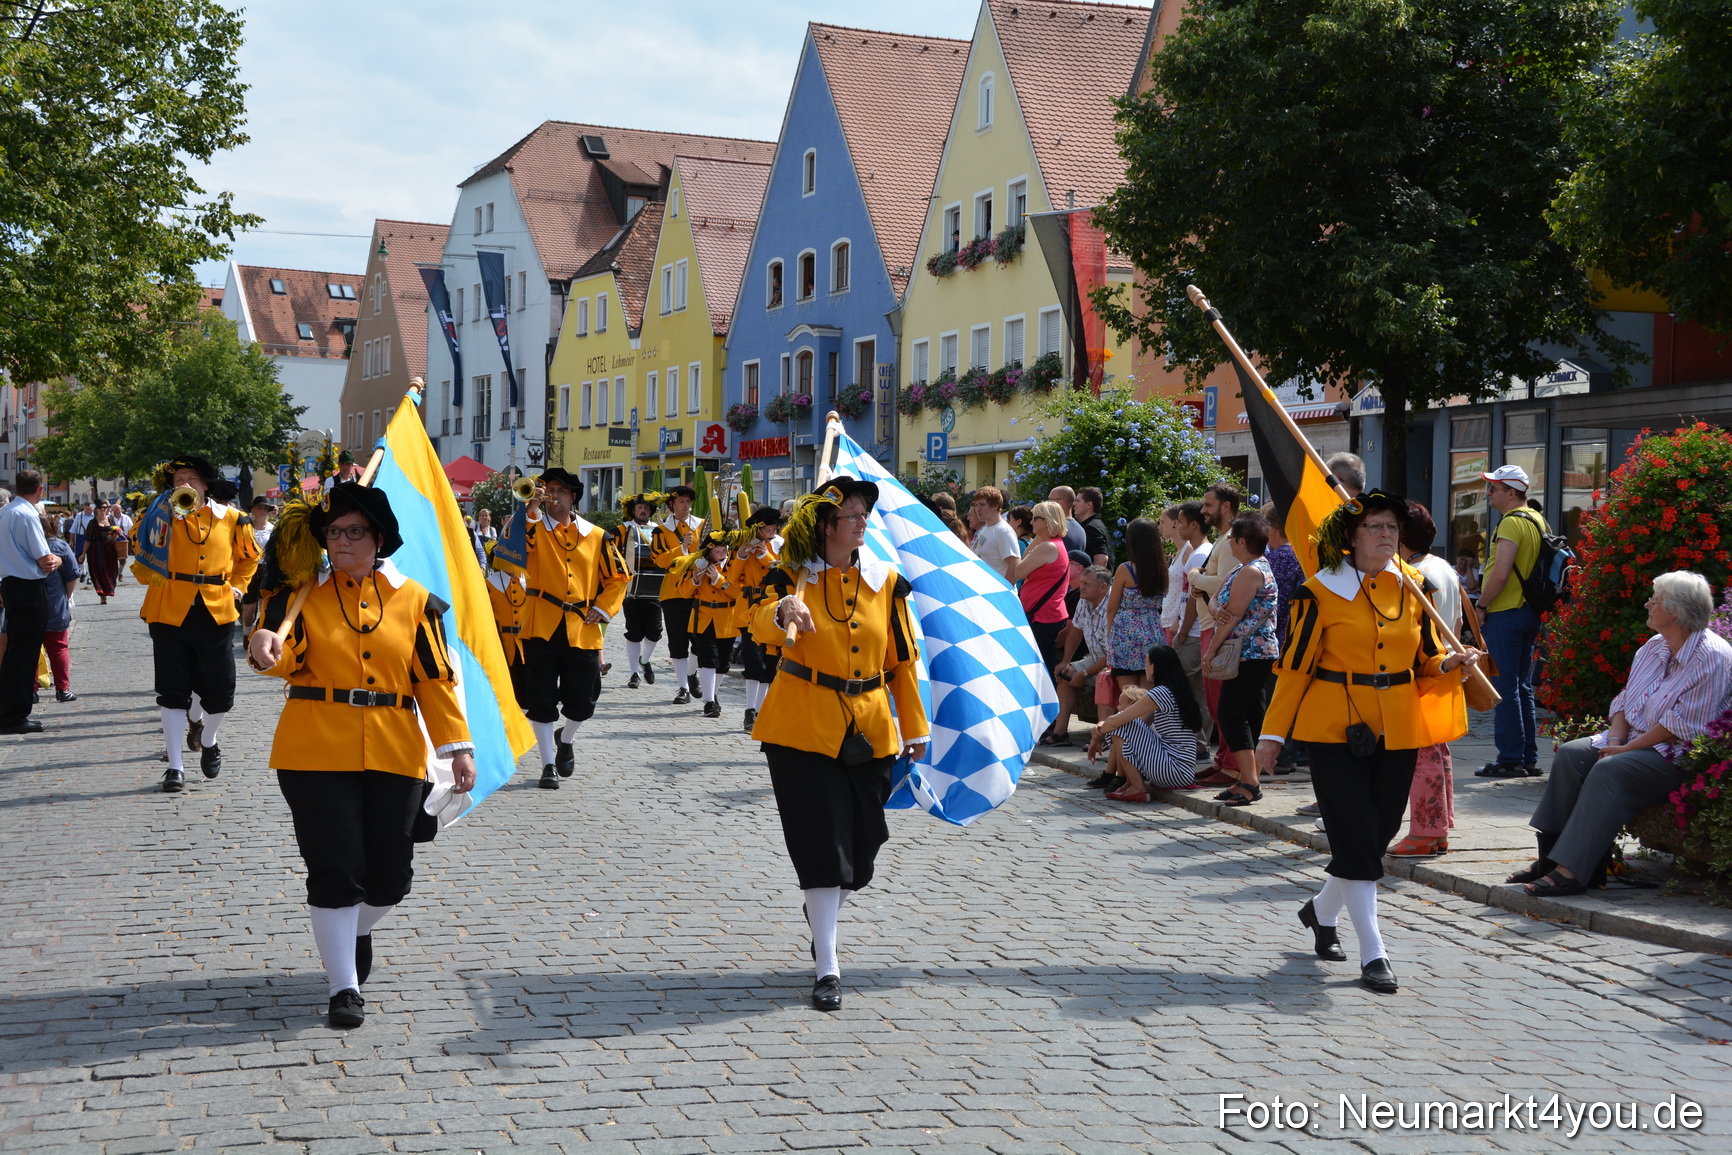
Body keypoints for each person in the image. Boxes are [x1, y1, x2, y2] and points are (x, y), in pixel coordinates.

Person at [246, 482, 476, 1030]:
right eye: (333, 532)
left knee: (392, 877)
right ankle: (343, 987)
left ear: (377, 538)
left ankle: (355, 929)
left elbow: (436, 681)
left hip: (396, 748)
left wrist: (457, 748)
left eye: (353, 531)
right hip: (313, 747)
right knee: (335, 866)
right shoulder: (299, 594)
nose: (341, 541)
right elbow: (280, 654)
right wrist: (262, 646)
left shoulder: (416, 601)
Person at [1256, 491, 1479, 993]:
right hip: (1332, 730)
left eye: (1393, 529)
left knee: (1373, 838)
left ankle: (1319, 911)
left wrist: (1449, 663)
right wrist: (1271, 735)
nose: (1386, 536)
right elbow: (1293, 669)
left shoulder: (1414, 588)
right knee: (1356, 836)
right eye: (1375, 527)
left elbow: (1425, 659)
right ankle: (1373, 952)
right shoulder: (1318, 592)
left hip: (1398, 727)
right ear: (1351, 538)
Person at [751, 476, 929, 1011]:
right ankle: (827, 964)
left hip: (870, 727)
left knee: (864, 847)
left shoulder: (887, 582)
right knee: (823, 847)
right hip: (800, 727)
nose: (862, 522)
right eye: (851, 515)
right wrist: (782, 610)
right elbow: (754, 621)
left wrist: (914, 726)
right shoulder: (790, 577)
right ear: (825, 525)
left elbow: (902, 660)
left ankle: (821, 908)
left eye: (863, 515)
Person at [1510, 572, 1732, 897]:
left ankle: (1571, 871)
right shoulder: (1653, 648)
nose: (1647, 604)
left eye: (1653, 600)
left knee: (1610, 770)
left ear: (1673, 612)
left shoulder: (1713, 657)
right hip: (1635, 742)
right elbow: (1627, 703)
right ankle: (1550, 859)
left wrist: (1625, 751)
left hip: (1676, 753)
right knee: (1572, 755)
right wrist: (1615, 742)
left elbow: (1679, 727)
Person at [493, 468, 628, 790]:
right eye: (548, 489)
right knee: (540, 698)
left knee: (584, 701)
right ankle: (548, 764)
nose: (553, 495)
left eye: (560, 491)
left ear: (573, 497)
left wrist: (602, 608)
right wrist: (528, 509)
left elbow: (619, 577)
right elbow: (505, 551)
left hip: (581, 625)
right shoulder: (532, 528)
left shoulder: (597, 536)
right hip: (540, 623)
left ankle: (565, 738)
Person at [130, 457, 260, 789]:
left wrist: (239, 587)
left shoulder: (232, 518)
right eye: (178, 480)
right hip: (168, 607)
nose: (184, 484)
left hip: (215, 609)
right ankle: (175, 766)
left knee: (221, 691)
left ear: (206, 485)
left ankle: (209, 738)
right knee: (172, 691)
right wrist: (159, 515)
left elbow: (249, 558)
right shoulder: (159, 515)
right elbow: (137, 544)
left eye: (191, 478)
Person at [1389, 501, 1464, 857]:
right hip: (1444, 667)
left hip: (1422, 670)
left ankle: (1423, 831)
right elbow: (1460, 624)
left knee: (1421, 757)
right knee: (1437, 751)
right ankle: (1438, 829)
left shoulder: (1412, 575)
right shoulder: (1444, 568)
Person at [1472, 464, 1549, 778]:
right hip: (1529, 612)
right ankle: (1526, 757)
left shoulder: (1509, 524)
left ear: (1512, 492)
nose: (1489, 493)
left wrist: (1481, 605)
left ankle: (1509, 759)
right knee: (1522, 687)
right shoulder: (1536, 518)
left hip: (1505, 612)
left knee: (1504, 688)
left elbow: (1501, 573)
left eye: (1495, 488)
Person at [1201, 514, 1280, 805]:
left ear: (1243, 541)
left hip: (1250, 653)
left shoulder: (1250, 572)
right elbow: (1215, 600)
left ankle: (1249, 781)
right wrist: (1214, 606)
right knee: (1250, 714)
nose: (1229, 542)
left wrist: (1211, 651)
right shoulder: (1245, 568)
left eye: (1233, 538)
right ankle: (1249, 779)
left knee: (1230, 714)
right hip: (1252, 653)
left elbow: (1231, 615)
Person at [1088, 644, 1205, 800]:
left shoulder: (1161, 693)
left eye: (1146, 663)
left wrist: (1096, 737)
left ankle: (1136, 787)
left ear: (1153, 667)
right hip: (1181, 772)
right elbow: (1138, 724)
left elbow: (1119, 721)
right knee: (1122, 725)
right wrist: (1104, 728)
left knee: (1119, 726)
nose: (1145, 667)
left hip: (1174, 770)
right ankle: (1130, 783)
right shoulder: (1175, 690)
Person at [1186, 484, 1244, 776]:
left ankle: (1233, 766)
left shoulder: (1233, 538)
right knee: (1214, 702)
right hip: (1210, 624)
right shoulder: (1224, 538)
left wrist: (1196, 577)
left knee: (1222, 703)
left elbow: (1225, 584)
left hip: (1218, 627)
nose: (1203, 511)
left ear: (1226, 506)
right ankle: (1223, 760)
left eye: (1208, 505)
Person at [0, 471, 61, 734]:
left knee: (16, 651)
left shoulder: (6, 512)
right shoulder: (26, 515)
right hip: (28, 587)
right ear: (40, 489)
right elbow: (45, 560)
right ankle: (15, 715)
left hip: (11, 584)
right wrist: (58, 560)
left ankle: (10, 711)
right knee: (24, 653)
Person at [608, 491, 684, 688]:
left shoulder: (657, 530)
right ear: (632, 510)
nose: (643, 511)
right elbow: (610, 557)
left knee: (655, 632)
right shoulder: (620, 531)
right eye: (640, 508)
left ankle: (644, 660)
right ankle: (634, 673)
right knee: (634, 632)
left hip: (655, 588)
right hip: (631, 588)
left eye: (647, 508)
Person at [671, 530, 738, 718]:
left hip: (727, 618)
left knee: (723, 662)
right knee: (709, 657)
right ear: (709, 552)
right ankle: (709, 702)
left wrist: (719, 580)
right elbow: (683, 592)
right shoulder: (696, 565)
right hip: (703, 616)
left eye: (724, 550)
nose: (722, 554)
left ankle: (713, 694)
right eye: (717, 551)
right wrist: (696, 580)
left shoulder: (733, 565)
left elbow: (739, 592)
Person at [729, 506, 784, 731]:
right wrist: (742, 555)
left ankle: (763, 710)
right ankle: (750, 711)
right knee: (753, 660)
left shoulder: (780, 545)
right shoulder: (742, 545)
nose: (771, 532)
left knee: (769, 663)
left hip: (772, 607)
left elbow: (782, 570)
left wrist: (765, 555)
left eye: (773, 528)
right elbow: (732, 579)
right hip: (749, 607)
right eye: (767, 529)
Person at [1105, 517, 1169, 699]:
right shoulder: (1162, 569)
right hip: (1152, 631)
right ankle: (1148, 727)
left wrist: (1110, 635)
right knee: (1148, 694)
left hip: (1126, 634)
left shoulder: (1125, 569)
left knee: (1128, 694)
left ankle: (1131, 727)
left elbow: (1111, 608)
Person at [1051, 564, 1112, 748]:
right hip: (1096, 657)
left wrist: (1084, 674)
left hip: (1113, 661)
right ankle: (1060, 733)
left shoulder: (1112, 607)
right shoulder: (1083, 601)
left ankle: (1102, 737)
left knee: (1103, 680)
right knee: (1065, 673)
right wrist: (1065, 660)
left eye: (1087, 583)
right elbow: (1075, 631)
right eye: (1082, 582)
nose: (1082, 586)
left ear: (1103, 587)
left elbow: (1112, 656)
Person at [1168, 501, 1212, 757]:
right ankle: (1198, 744)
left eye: (1181, 522)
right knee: (1197, 693)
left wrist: (1183, 630)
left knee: (1179, 688)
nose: (1178, 526)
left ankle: (1194, 743)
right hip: (1192, 630)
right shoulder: (1197, 551)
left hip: (1193, 632)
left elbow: (1194, 597)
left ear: (1193, 525)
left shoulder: (1198, 554)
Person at [1008, 501, 1071, 675]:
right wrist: (1038, 537)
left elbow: (1019, 571)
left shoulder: (1048, 546)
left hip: (1043, 616)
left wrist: (1038, 539)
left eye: (1036, 518)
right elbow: (1025, 561)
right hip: (1046, 614)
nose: (1032, 522)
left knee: (1040, 668)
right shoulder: (1053, 544)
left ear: (1047, 521)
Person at [658, 485, 703, 703]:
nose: (686, 506)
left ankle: (691, 672)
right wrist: (681, 548)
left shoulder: (702, 525)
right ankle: (683, 687)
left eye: (688, 502)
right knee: (677, 641)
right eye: (681, 502)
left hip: (700, 589)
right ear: (671, 505)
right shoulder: (661, 530)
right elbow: (660, 560)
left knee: (700, 640)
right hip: (673, 592)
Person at [39, 514, 81, 702]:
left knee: (29, 648)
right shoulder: (60, 546)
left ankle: (31, 689)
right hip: (54, 603)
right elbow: (72, 575)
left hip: (28, 604)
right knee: (58, 648)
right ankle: (62, 689)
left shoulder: (20, 547)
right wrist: (66, 596)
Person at [968, 486, 1019, 580]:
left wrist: (1005, 591)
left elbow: (1014, 564)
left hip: (996, 592)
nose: (978, 509)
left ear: (995, 506)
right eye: (976, 505)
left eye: (982, 505)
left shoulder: (1003, 531)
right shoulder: (985, 529)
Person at [81, 500, 126, 605]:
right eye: (101, 508)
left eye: (105, 508)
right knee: (98, 571)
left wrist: (116, 535)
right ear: (96, 509)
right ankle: (102, 595)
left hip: (109, 549)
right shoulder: (92, 523)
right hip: (96, 550)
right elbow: (88, 539)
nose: (103, 510)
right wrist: (83, 554)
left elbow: (117, 534)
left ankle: (109, 589)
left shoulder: (111, 521)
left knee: (111, 570)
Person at [1073, 487, 1113, 569]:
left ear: (1089, 504)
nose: (1074, 504)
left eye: (1077, 501)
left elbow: (1102, 559)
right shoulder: (1094, 525)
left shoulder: (1092, 528)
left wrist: (1090, 580)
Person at [1046, 486, 1087, 553]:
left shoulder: (1056, 527)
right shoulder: (1081, 529)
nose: (1047, 504)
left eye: (1050, 500)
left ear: (1061, 502)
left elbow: (1027, 556)